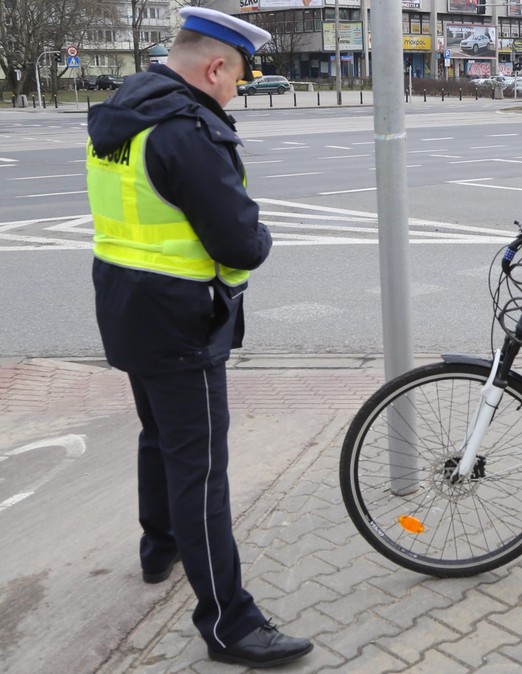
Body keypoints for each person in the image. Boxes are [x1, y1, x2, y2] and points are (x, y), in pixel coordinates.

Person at [86, 7, 312, 667]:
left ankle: (159, 549)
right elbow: (241, 240)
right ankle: (228, 624)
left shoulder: (123, 107)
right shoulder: (187, 130)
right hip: (181, 318)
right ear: (216, 67)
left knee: (158, 437)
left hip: (125, 303)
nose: (239, 89)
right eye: (240, 77)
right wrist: (260, 234)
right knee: (202, 470)